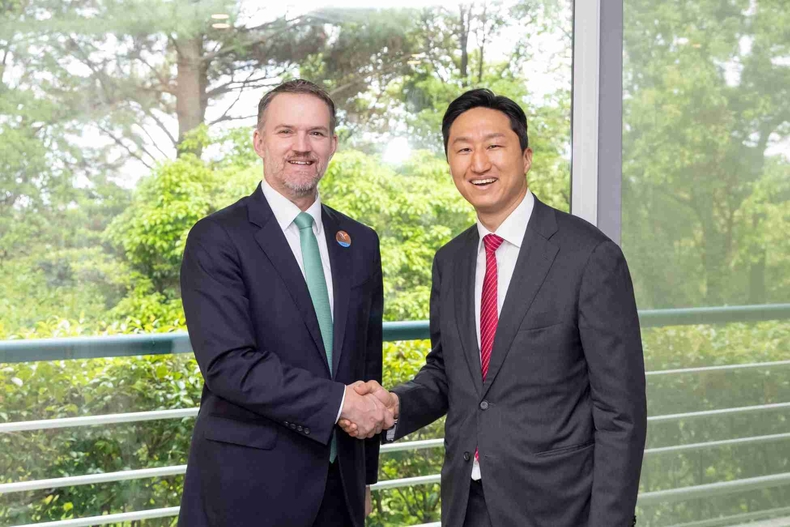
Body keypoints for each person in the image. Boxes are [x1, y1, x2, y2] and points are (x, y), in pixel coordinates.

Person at [341, 88, 647, 526]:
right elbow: (448, 372)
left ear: (526, 157)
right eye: (463, 149)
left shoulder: (589, 257)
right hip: (467, 503)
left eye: (494, 146)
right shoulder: (451, 260)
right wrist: (394, 405)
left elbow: (621, 414)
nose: (479, 163)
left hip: (559, 507)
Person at [178, 79, 391, 527]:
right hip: (248, 491)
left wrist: (365, 479)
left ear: (332, 145)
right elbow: (229, 365)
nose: (302, 146)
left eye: (316, 133)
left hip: (340, 491)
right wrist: (340, 403)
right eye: (286, 131)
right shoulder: (217, 238)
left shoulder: (360, 241)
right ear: (259, 142)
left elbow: (367, 363)